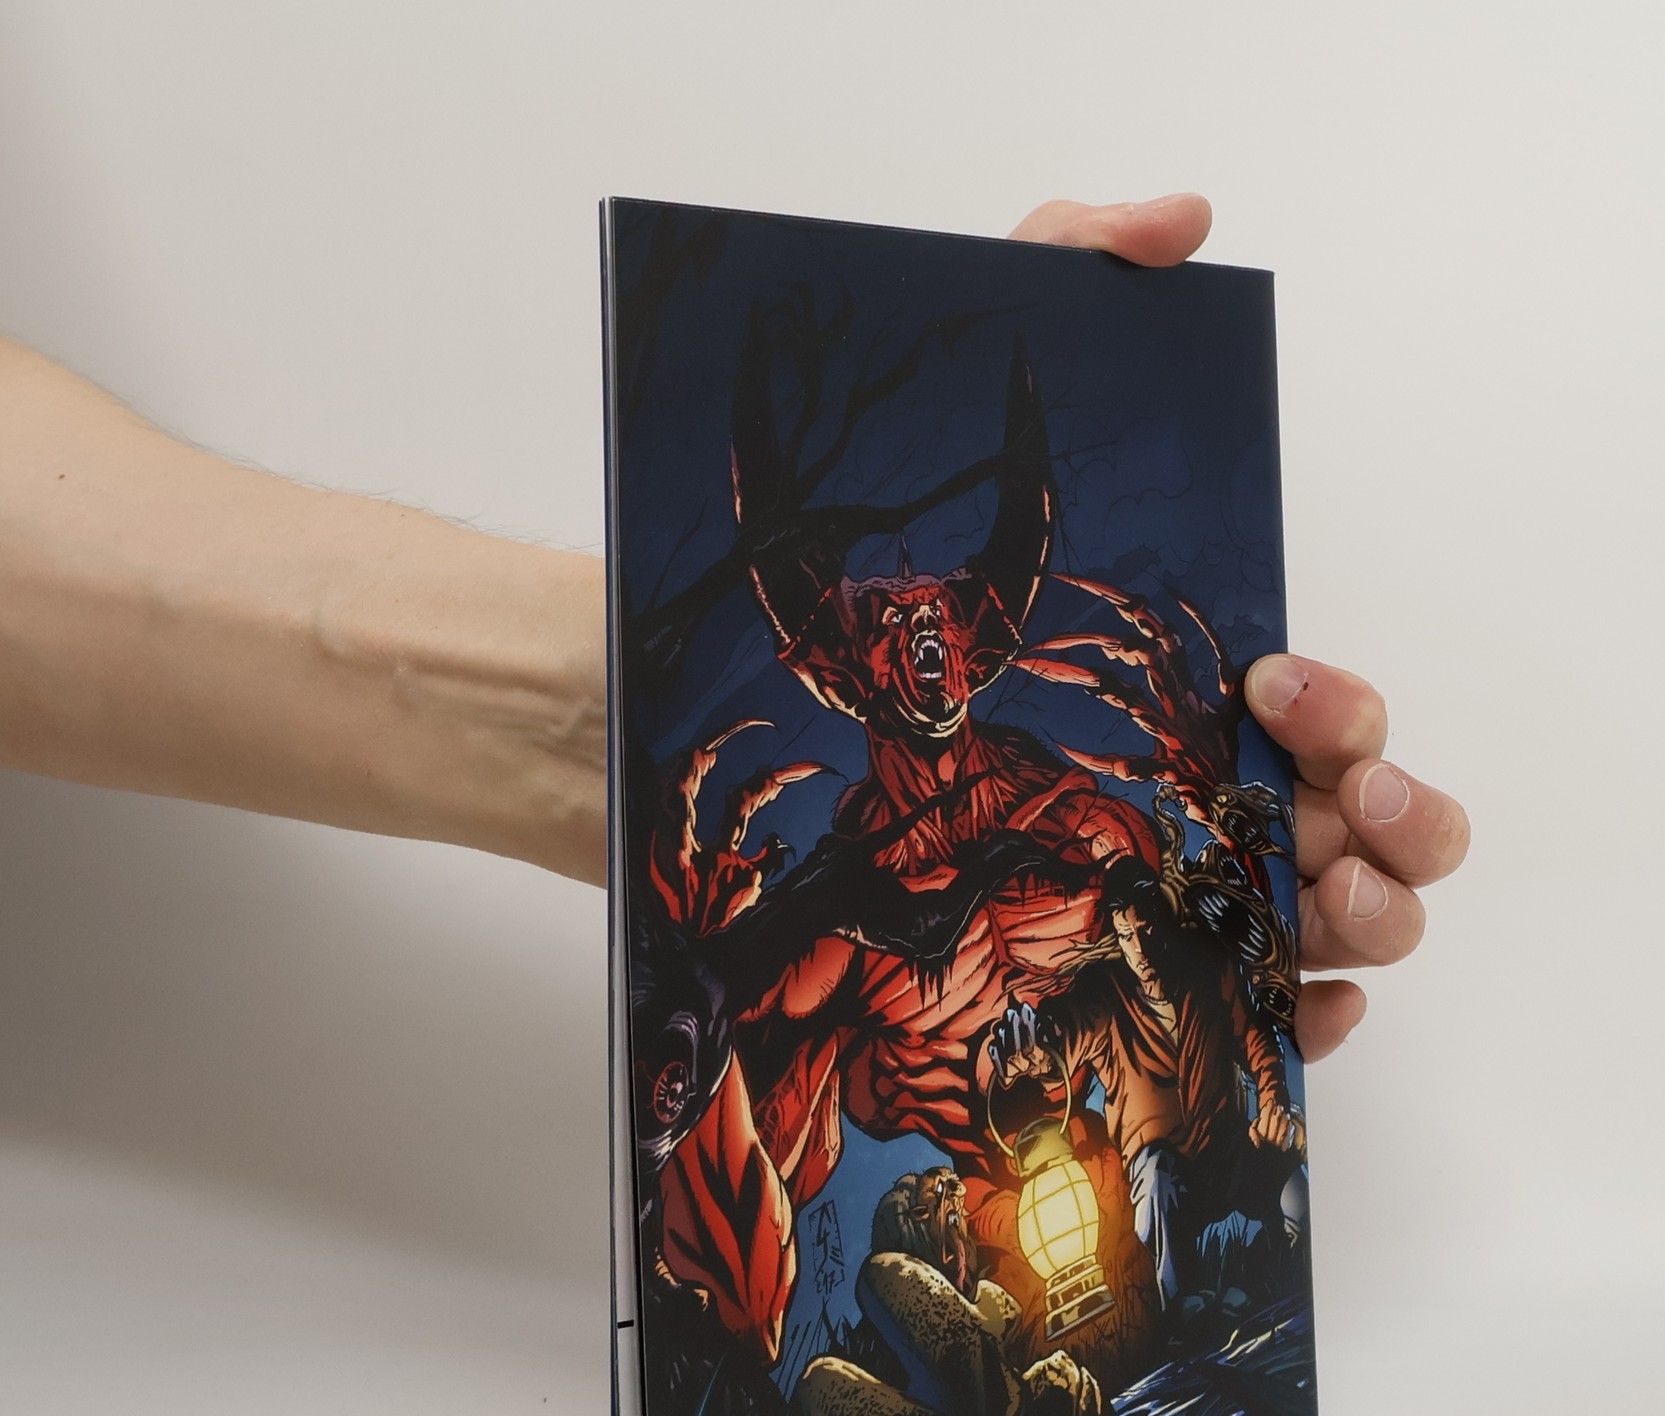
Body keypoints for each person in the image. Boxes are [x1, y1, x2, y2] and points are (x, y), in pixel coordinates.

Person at [0, 195, 1469, 1070]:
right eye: (896, 642)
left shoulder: (1070, 800)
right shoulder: (837, 874)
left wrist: (1012, 346)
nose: (928, 655)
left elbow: (1023, 562)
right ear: (847, 667)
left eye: (946, 636)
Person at [988, 856, 1308, 1316]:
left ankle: (1269, 1280)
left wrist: (1274, 1101)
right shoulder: (1104, 994)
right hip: (1164, 1181)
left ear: (1163, 920)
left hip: (1228, 1150)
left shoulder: (1209, 968)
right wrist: (1035, 1051)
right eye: (1126, 936)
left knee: (1293, 1184)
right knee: (1156, 1173)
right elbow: (1065, 1034)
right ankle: (1182, 1309)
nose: (1140, 950)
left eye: (1146, 930)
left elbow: (1256, 1036)